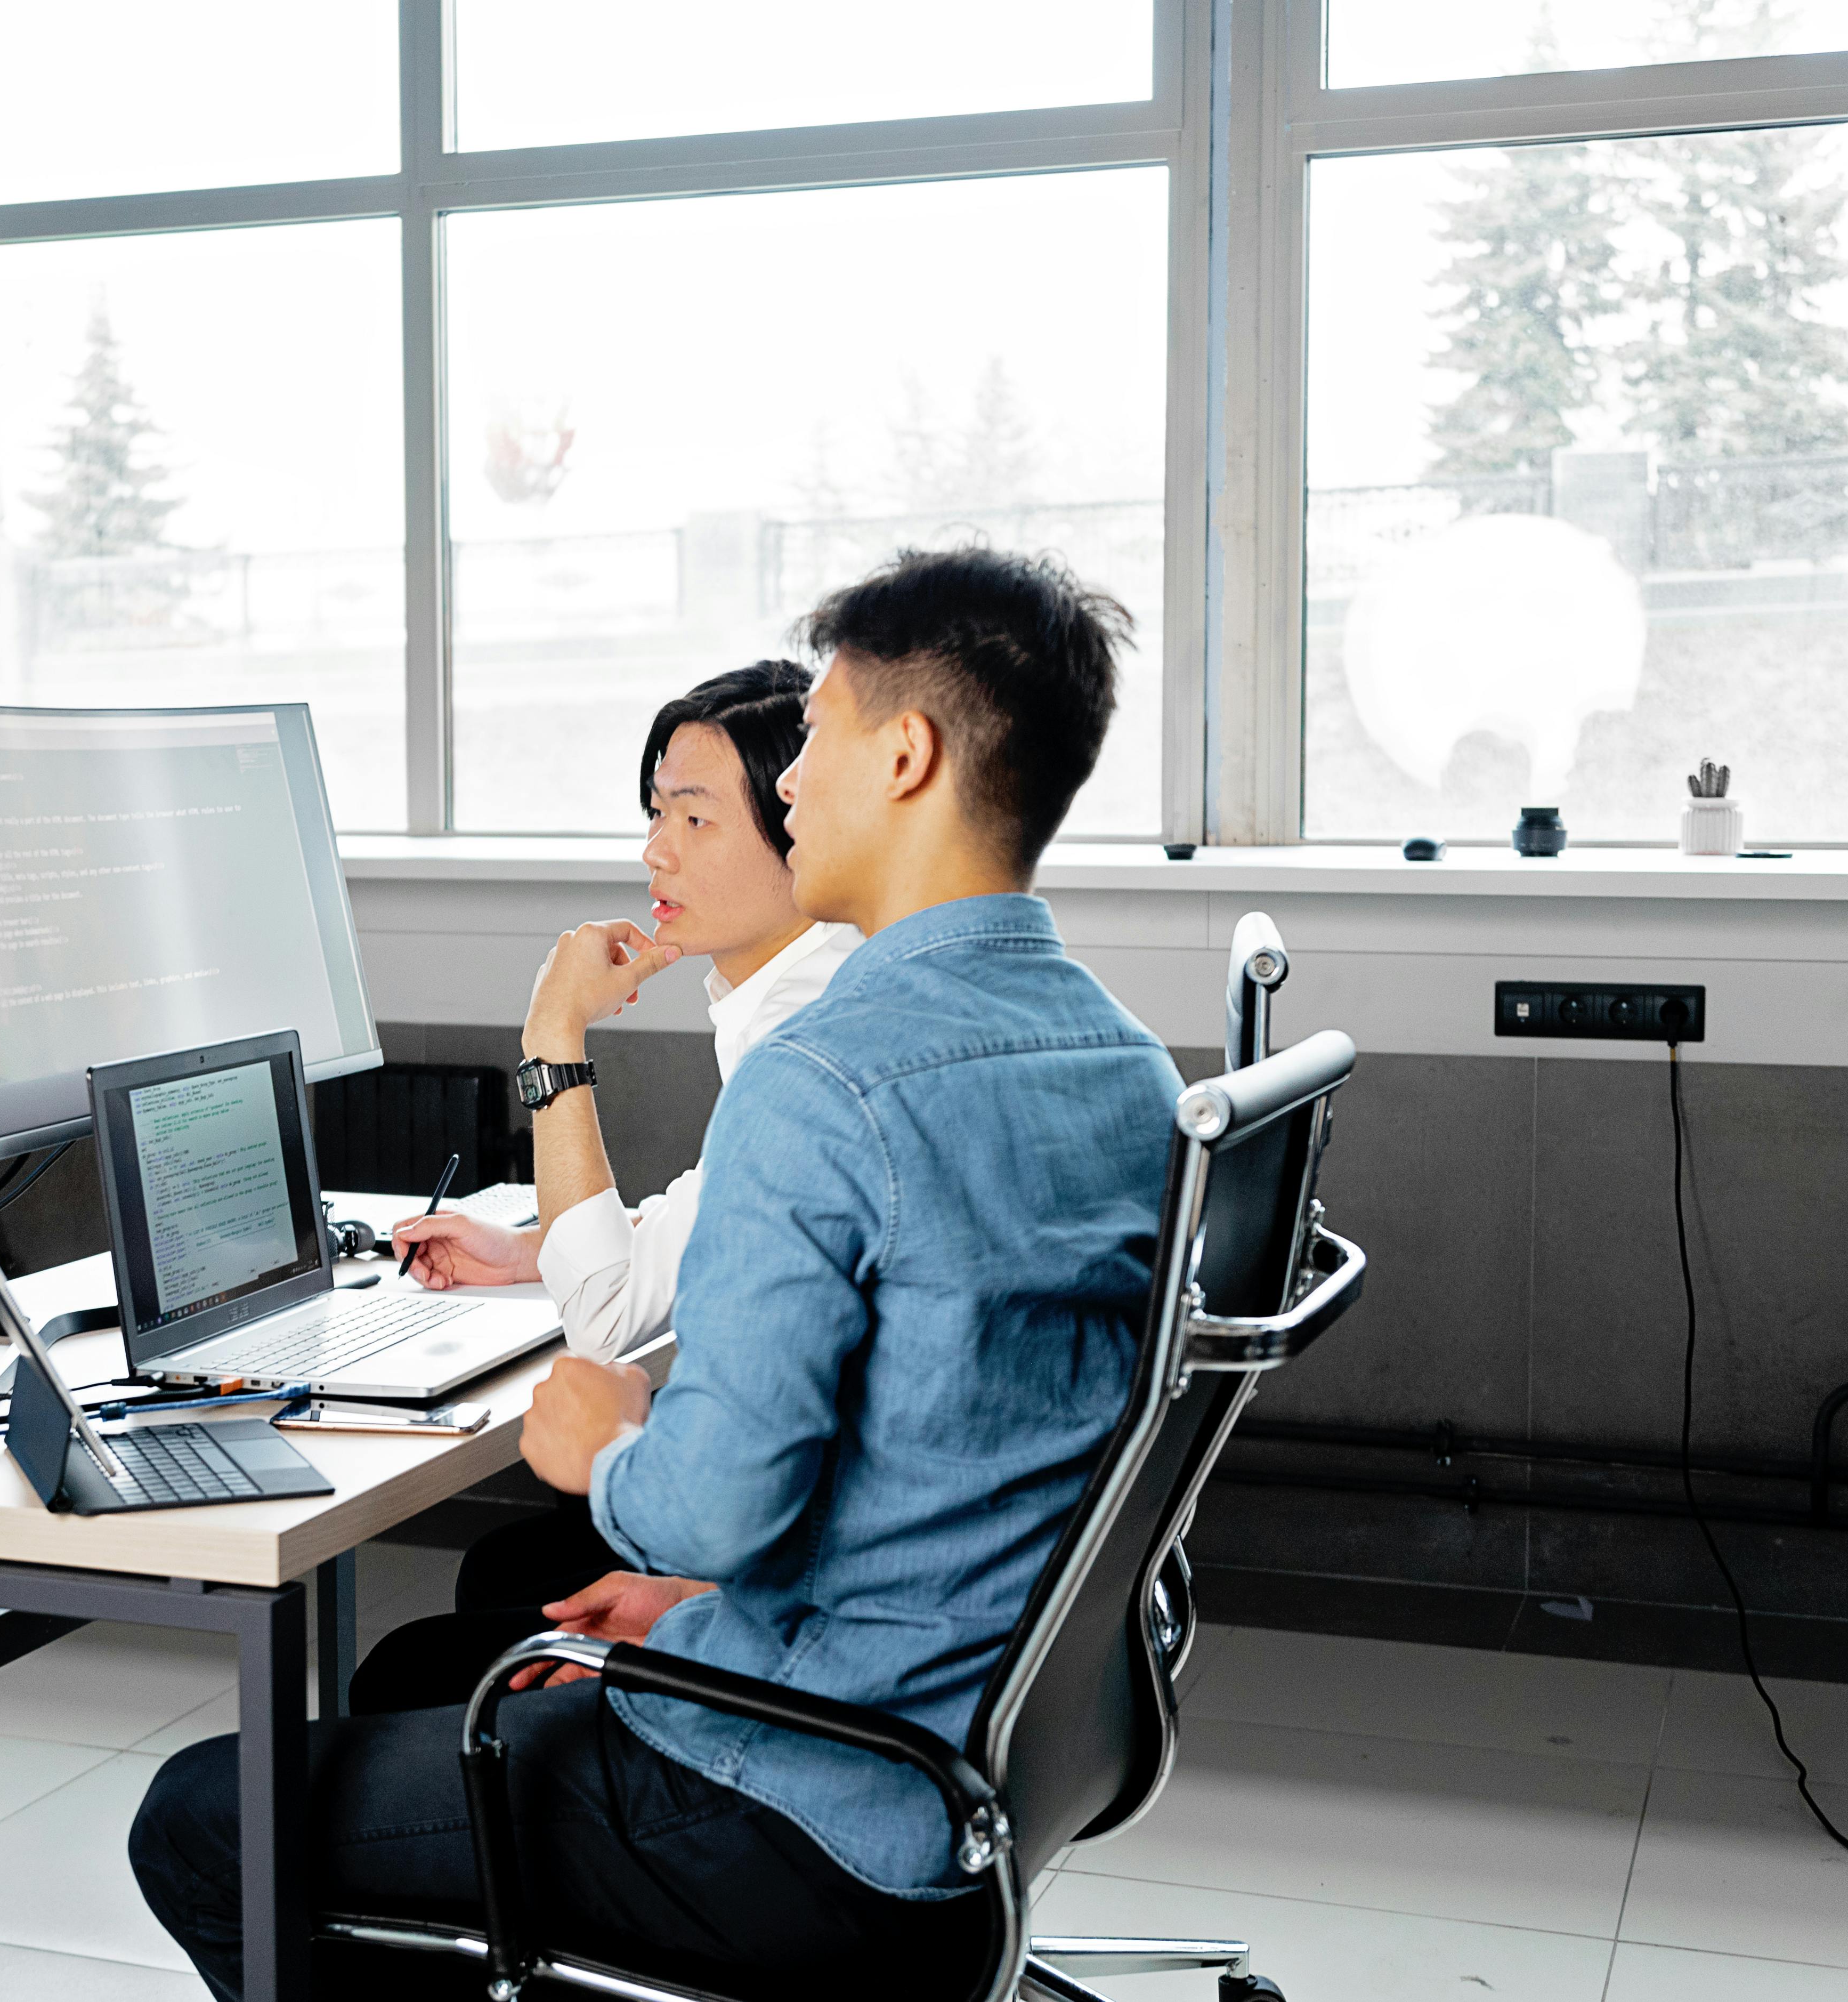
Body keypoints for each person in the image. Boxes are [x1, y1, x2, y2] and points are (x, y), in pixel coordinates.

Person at [128, 548, 1182, 2000]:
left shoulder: (829, 1073)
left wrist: (605, 1450)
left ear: (906, 752)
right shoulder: (1130, 1061)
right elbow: (961, 1465)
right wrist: (695, 1610)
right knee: (434, 1684)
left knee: (203, 1817)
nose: (792, 782)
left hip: (807, 1803)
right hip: (974, 1762)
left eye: (809, 741)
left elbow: (713, 1499)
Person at [348, 664, 861, 1712]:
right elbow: (721, 1217)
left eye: (694, 817)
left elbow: (609, 1320)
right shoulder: (823, 988)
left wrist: (553, 1038)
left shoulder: (804, 1040)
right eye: (654, 812)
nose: (654, 852)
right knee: (503, 1572)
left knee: (419, 1658)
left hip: (803, 1573)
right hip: (819, 1528)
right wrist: (531, 1250)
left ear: (799, 828)